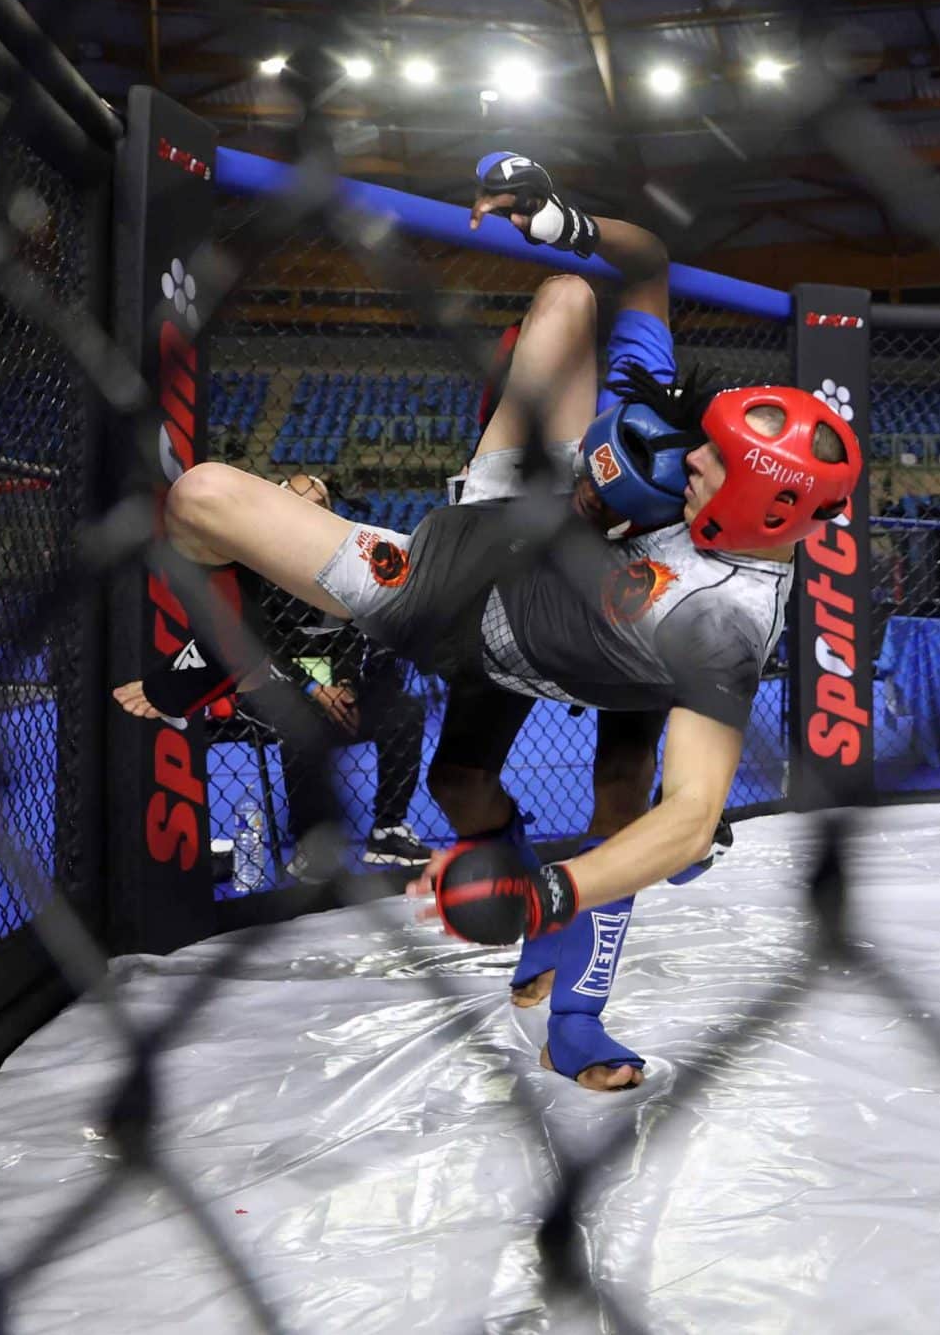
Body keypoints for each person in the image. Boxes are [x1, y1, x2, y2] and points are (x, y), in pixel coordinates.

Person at [114, 152, 860, 1089]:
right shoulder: (663, 427)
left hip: (558, 646)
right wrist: (564, 221)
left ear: (751, 509)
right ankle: (216, 652)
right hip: (477, 544)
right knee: (202, 498)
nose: (689, 458)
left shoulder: (722, 622)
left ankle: (576, 1018)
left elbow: (692, 812)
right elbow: (647, 262)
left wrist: (551, 889)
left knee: (630, 806)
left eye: (707, 468)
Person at [262, 475, 431, 870]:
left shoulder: (348, 567)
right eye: (299, 506)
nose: (309, 515)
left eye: (318, 506)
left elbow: (359, 638)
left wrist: (346, 685)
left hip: (341, 689)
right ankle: (313, 842)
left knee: (405, 711)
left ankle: (388, 829)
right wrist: (314, 689)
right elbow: (261, 649)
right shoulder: (261, 570)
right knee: (297, 720)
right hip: (286, 693)